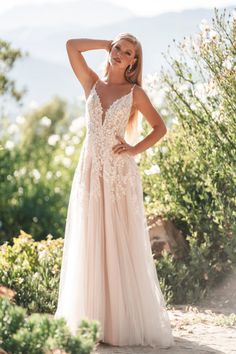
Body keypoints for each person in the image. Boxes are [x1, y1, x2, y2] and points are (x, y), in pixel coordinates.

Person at [54, 32, 174, 348]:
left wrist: (134, 149)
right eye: (118, 48)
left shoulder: (135, 93)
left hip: (119, 175)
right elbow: (71, 46)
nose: (120, 54)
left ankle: (119, 321)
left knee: (118, 243)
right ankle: (92, 321)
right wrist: (104, 43)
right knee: (91, 239)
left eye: (127, 52)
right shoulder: (92, 83)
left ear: (135, 61)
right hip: (91, 172)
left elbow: (160, 128)